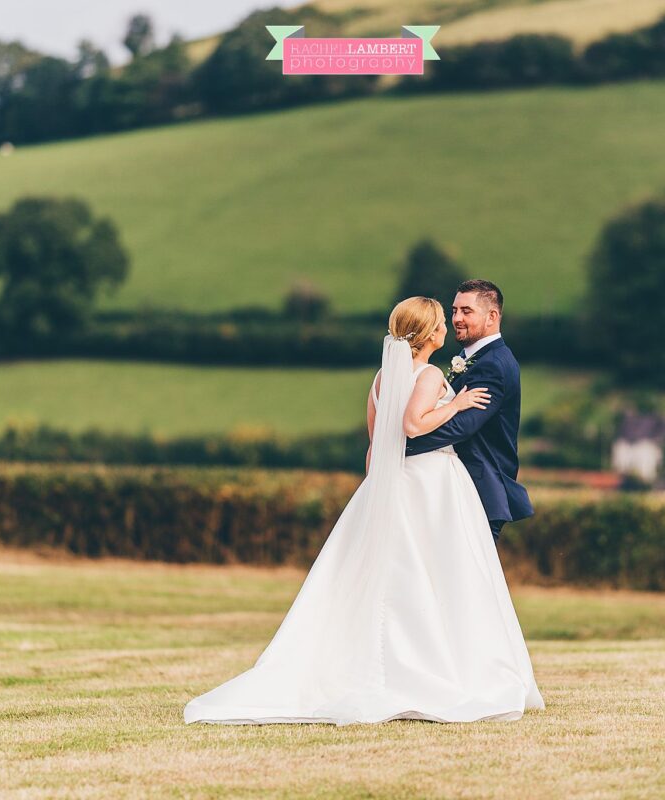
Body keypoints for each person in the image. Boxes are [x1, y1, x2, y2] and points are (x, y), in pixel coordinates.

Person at [183, 295, 543, 726]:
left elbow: (376, 448)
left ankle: (374, 665)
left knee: (383, 574)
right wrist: (456, 405)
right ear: (429, 333)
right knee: (435, 575)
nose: (450, 323)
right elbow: (411, 428)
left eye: (461, 313)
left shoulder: (380, 379)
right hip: (429, 485)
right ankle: (436, 670)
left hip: (389, 485)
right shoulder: (429, 373)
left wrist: (379, 487)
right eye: (445, 319)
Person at [406, 279, 534, 542]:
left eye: (466, 311)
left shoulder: (495, 365)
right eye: (454, 311)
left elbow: (461, 427)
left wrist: (400, 446)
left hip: (480, 489)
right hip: (452, 487)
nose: (456, 318)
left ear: (492, 317)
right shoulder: (473, 359)